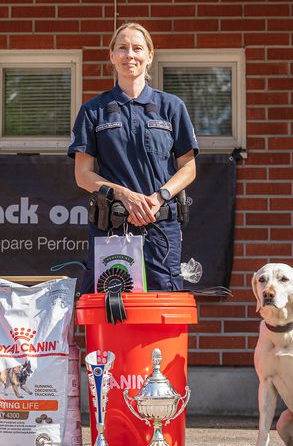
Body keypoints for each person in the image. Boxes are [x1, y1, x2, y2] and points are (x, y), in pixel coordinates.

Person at [68, 22, 199, 294]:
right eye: (122, 48)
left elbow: (188, 168)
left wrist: (159, 197)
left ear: (150, 55)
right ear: (112, 56)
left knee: (163, 305)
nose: (130, 54)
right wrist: (124, 195)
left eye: (138, 48)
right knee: (111, 308)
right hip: (112, 229)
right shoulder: (94, 111)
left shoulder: (171, 107)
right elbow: (83, 175)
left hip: (160, 226)